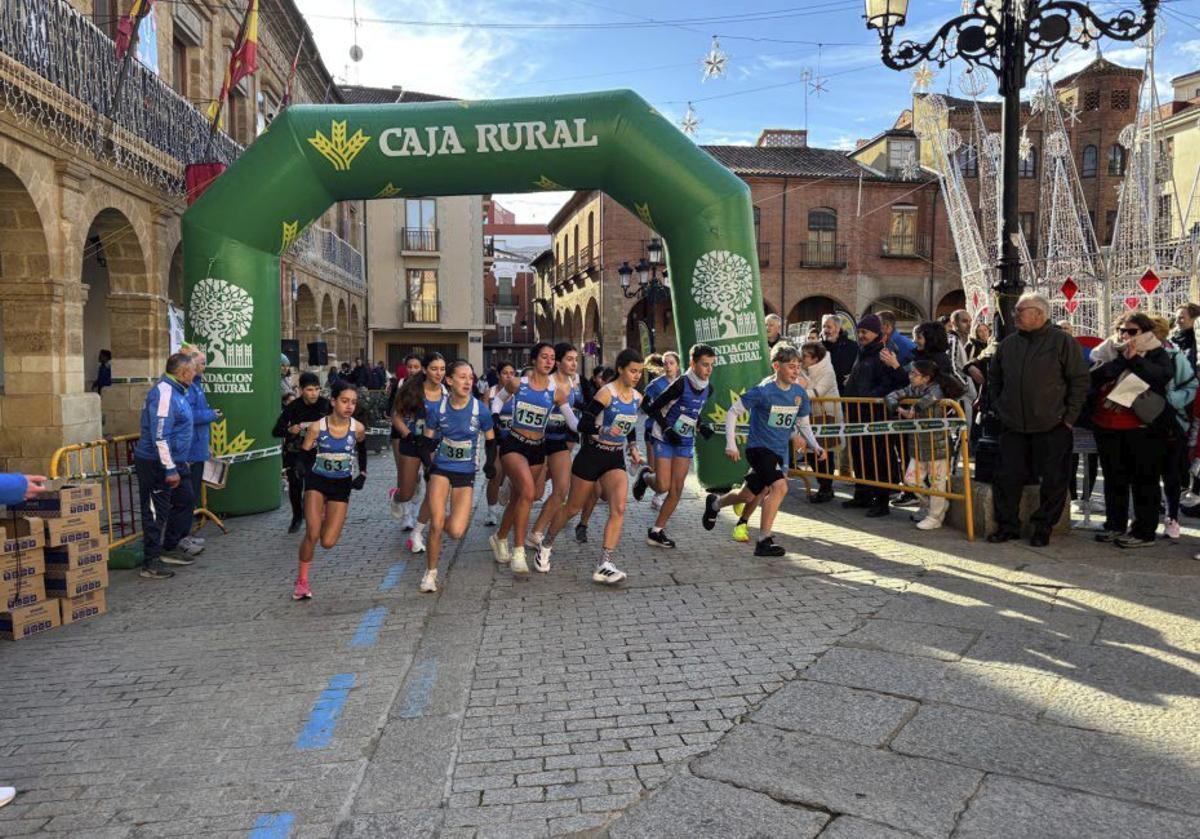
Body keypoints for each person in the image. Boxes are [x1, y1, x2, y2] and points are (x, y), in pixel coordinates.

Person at [532, 348, 645, 584]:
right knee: (573, 508)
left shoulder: (637, 397)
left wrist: (633, 447)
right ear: (621, 369)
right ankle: (546, 544)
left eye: (640, 372)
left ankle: (604, 563)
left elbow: (631, 424)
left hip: (614, 457)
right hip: (592, 455)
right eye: (633, 371)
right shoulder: (606, 393)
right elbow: (583, 424)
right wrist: (604, 429)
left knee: (619, 507)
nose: (637, 376)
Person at [702, 344, 825, 557]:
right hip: (758, 449)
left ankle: (715, 504)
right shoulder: (763, 391)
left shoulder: (799, 393)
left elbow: (803, 424)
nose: (796, 371)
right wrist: (731, 444)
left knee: (747, 494)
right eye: (791, 366)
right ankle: (764, 540)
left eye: (798, 366)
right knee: (780, 487)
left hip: (779, 452)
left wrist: (815, 445)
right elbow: (733, 412)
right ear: (776, 366)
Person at [987, 292, 1090, 546]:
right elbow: (995, 379)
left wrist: (1068, 418)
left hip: (1053, 424)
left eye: (1020, 311)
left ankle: (1043, 527)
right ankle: (1008, 526)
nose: (1014, 315)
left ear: (1039, 314)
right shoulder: (1008, 344)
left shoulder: (1062, 342)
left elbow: (1079, 381)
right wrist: (1001, 407)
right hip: (1013, 424)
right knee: (1006, 477)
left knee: (1054, 480)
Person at [1087, 312, 1175, 549]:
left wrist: (1135, 359)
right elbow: (1095, 376)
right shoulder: (1107, 350)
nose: (1125, 335)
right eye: (1121, 330)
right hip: (1106, 423)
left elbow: (1161, 376)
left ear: (1145, 332)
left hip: (1141, 426)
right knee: (1114, 478)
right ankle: (1114, 525)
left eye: (1132, 331)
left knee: (1144, 480)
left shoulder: (1157, 351)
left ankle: (1144, 531)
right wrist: (1122, 360)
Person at [490, 343, 575, 574]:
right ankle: (518, 551)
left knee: (520, 498)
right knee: (528, 493)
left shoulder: (557, 392)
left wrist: (593, 428)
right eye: (544, 357)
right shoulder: (518, 383)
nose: (548, 361)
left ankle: (500, 537)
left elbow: (572, 421)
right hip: (514, 444)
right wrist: (495, 415)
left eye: (552, 358)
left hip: (537, 448)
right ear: (534, 360)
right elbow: (498, 399)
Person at [418, 360, 497, 593]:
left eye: (470, 377)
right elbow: (426, 442)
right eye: (462, 377)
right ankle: (430, 574)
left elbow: (491, 441)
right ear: (450, 381)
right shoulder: (438, 409)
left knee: (455, 531)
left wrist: (490, 464)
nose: (468, 381)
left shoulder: (480, 410)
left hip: (465, 473)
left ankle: (439, 520)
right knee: (436, 523)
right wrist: (428, 465)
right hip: (441, 469)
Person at [633, 344, 716, 547]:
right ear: (692, 363)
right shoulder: (680, 384)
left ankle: (656, 531)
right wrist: (667, 429)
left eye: (712, 365)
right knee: (663, 485)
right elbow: (653, 408)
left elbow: (693, 412)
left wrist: (701, 426)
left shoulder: (708, 388)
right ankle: (645, 476)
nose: (709, 369)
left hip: (685, 440)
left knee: (676, 488)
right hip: (663, 437)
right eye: (705, 365)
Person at [293, 381, 366, 599]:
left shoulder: (358, 428)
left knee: (328, 542)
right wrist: (300, 466)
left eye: (353, 402)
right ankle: (302, 582)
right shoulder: (318, 427)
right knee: (312, 533)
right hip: (317, 482)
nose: (349, 406)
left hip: (341, 485)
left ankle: (324, 514)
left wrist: (362, 474)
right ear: (333, 401)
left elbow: (362, 449)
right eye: (344, 401)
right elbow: (304, 452)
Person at [132, 353, 197, 580]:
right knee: (154, 513)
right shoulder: (164, 394)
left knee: (185, 499)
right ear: (183, 372)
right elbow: (160, 436)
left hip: (174, 461)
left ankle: (169, 547)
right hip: (155, 464)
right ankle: (150, 562)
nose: (196, 373)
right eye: (193, 370)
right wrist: (169, 468)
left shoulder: (179, 392)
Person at [842, 314, 908, 516]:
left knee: (878, 458)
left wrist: (870, 396)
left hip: (875, 415)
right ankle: (862, 494)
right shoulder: (863, 352)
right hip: (857, 414)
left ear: (876, 333)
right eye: (859, 332)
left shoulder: (884, 353)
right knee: (860, 456)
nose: (861, 335)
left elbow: (895, 382)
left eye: (865, 332)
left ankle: (881, 500)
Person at [885, 360, 954, 530]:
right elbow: (891, 396)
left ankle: (935, 517)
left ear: (926, 378)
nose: (910, 376)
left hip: (937, 444)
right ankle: (932, 505)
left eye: (914, 374)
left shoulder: (937, 389)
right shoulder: (914, 388)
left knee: (937, 482)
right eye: (911, 373)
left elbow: (926, 402)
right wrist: (898, 408)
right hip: (918, 444)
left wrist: (912, 410)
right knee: (910, 479)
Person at [529, 343, 584, 546]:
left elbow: (577, 412)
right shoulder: (548, 382)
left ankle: (536, 532)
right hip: (540, 441)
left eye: (576, 359)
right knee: (536, 493)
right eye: (569, 359)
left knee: (561, 490)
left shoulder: (575, 382)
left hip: (560, 440)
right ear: (558, 362)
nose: (574, 363)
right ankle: (513, 484)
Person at [1150, 315, 1196, 540]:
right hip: (1143, 421)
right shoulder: (1133, 354)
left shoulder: (1174, 356)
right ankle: (1147, 517)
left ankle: (1171, 518)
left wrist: (1170, 401)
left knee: (1170, 472)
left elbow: (1191, 385)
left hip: (1172, 422)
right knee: (1145, 472)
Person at [273, 372, 331, 533]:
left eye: (317, 389)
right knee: (296, 485)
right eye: (310, 390)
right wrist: (289, 429)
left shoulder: (325, 405)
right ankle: (297, 517)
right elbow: (276, 431)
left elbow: (339, 424)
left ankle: (312, 513)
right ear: (301, 390)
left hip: (318, 452)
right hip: (295, 452)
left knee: (313, 486)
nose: (314, 394)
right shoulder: (293, 407)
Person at [179, 346, 221, 556]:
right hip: (189, 451)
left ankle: (187, 534)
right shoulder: (187, 388)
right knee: (186, 497)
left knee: (193, 495)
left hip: (197, 448)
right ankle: (182, 538)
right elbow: (187, 416)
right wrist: (210, 414)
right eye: (203, 363)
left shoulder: (196, 385)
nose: (205, 366)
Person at [405, 355, 449, 553]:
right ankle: (398, 497)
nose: (439, 373)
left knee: (435, 491)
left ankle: (417, 532)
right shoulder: (413, 390)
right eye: (434, 369)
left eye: (442, 369)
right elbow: (397, 416)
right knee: (407, 492)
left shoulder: (447, 393)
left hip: (434, 444)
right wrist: (408, 435)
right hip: (412, 442)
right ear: (425, 370)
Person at [574, 365, 618, 543]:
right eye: (609, 383)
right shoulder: (598, 397)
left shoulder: (621, 399)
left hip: (612, 453)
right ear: (602, 382)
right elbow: (583, 424)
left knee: (605, 494)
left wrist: (632, 445)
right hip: (592, 450)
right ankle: (582, 524)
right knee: (595, 491)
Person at [799, 341, 841, 504]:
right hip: (810, 415)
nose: (801, 359)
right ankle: (823, 485)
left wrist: (798, 391)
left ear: (815, 359)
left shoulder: (827, 371)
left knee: (824, 453)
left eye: (805, 356)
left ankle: (826, 488)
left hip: (826, 416)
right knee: (811, 453)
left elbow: (817, 392)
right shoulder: (803, 369)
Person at [387, 354, 425, 524]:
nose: (412, 370)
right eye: (410, 367)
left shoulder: (428, 385)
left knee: (418, 475)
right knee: (403, 472)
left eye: (416, 367)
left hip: (422, 433)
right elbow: (391, 409)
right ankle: (406, 514)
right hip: (401, 432)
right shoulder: (399, 384)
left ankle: (415, 509)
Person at [640, 351, 680, 510]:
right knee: (654, 468)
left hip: (674, 431)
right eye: (665, 363)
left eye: (671, 363)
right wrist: (656, 415)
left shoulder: (683, 384)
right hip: (654, 429)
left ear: (678, 366)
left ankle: (659, 497)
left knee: (671, 467)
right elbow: (644, 405)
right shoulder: (656, 384)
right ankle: (646, 479)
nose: (668, 366)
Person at [484, 362, 516, 525]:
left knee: (509, 474)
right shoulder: (490, 393)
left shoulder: (518, 393)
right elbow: (484, 415)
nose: (509, 376)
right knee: (496, 474)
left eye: (512, 373)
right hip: (495, 440)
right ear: (498, 375)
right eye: (505, 373)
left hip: (514, 441)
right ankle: (491, 512)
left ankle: (506, 487)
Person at [821, 315, 857, 387]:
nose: (825, 330)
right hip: (822, 390)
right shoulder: (818, 347)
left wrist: (853, 377)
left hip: (843, 390)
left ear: (837, 329)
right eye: (823, 327)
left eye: (829, 327)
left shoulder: (852, 347)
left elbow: (858, 367)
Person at [1174, 303, 1199, 371]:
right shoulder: (1173, 338)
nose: (1176, 322)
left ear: (1195, 319)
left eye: (1181, 318)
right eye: (1176, 318)